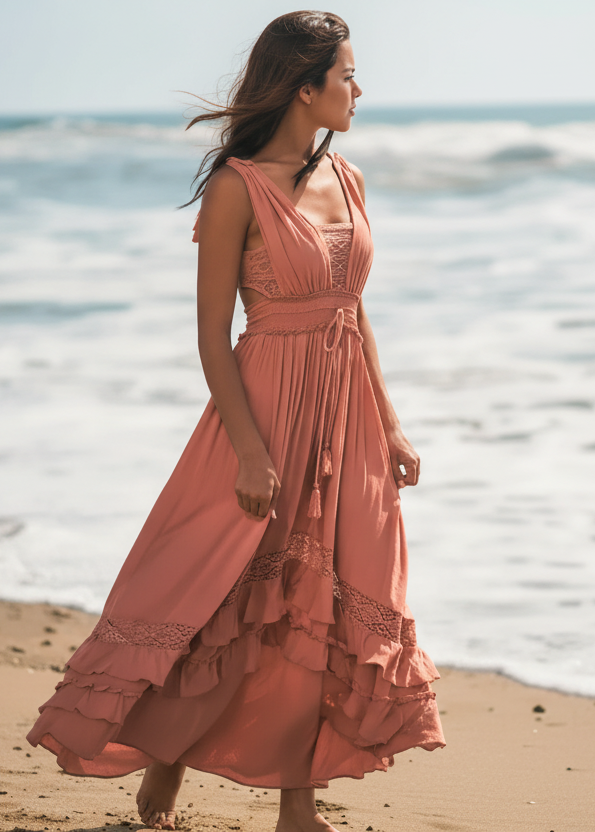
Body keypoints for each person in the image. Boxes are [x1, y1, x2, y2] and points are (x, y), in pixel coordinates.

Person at [26, 10, 446, 832]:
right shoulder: (235, 188)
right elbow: (212, 337)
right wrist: (250, 451)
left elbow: (353, 312)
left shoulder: (349, 179)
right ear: (303, 87)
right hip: (261, 410)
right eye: (346, 75)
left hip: (344, 416)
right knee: (221, 595)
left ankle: (297, 805)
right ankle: (167, 761)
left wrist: (389, 423)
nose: (357, 89)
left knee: (322, 598)